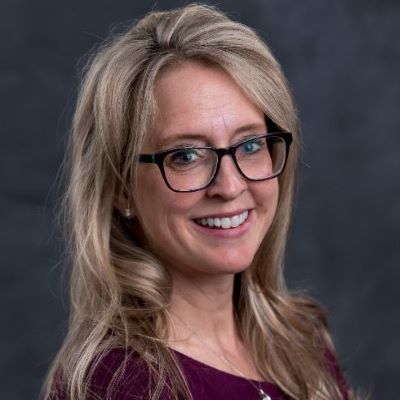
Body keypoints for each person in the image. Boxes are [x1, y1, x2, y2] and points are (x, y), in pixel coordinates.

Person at [43, 4, 356, 400]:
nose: (229, 185)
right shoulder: (119, 385)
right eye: (186, 155)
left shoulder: (301, 339)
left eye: (251, 144)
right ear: (121, 187)